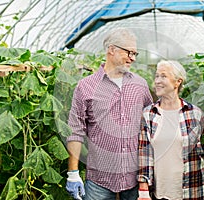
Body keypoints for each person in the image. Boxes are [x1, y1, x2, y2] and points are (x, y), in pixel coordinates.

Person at [65, 27, 153, 200]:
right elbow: (75, 131)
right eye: (129, 52)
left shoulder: (140, 85)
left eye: (135, 54)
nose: (132, 58)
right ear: (111, 49)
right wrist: (73, 173)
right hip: (99, 179)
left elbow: (151, 124)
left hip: (135, 177)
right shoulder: (86, 86)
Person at [137, 60, 204, 200]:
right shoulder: (148, 115)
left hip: (194, 191)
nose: (157, 81)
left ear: (178, 82)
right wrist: (143, 190)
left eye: (163, 76)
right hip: (160, 194)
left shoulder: (196, 114)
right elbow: (144, 154)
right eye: (156, 76)